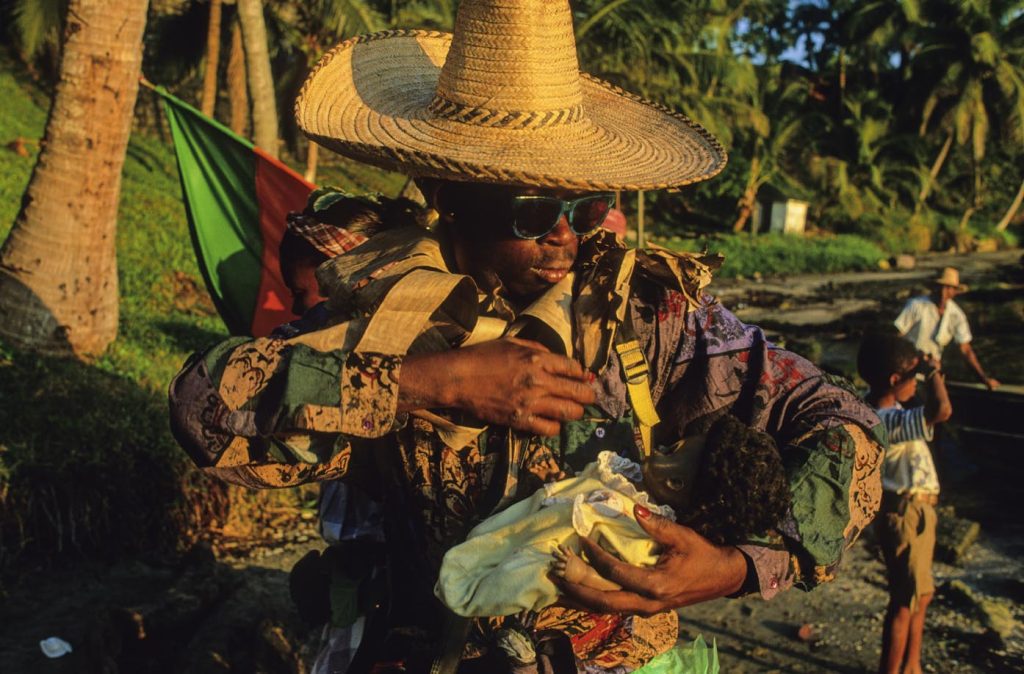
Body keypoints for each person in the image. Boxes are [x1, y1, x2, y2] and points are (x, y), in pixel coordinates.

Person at [168, 1, 884, 671]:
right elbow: (206, 406)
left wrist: (734, 566)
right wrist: (427, 382)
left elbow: (845, 423)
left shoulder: (646, 318)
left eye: (586, 205)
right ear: (449, 198)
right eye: (532, 211)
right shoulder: (383, 316)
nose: (566, 236)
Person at [857, 333, 952, 674]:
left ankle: (912, 666)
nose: (917, 383)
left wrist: (920, 371)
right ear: (896, 380)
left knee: (920, 595)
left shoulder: (884, 410)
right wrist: (934, 372)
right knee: (904, 601)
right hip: (905, 512)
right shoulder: (886, 421)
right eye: (913, 376)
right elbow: (941, 410)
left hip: (914, 510)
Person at [894, 267, 1000, 390]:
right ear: (934, 288)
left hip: (932, 370)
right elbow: (897, 336)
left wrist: (983, 378)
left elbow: (965, 349)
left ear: (955, 292)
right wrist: (915, 355)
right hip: (908, 367)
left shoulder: (956, 315)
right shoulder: (917, 305)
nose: (944, 292)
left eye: (949, 288)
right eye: (941, 287)